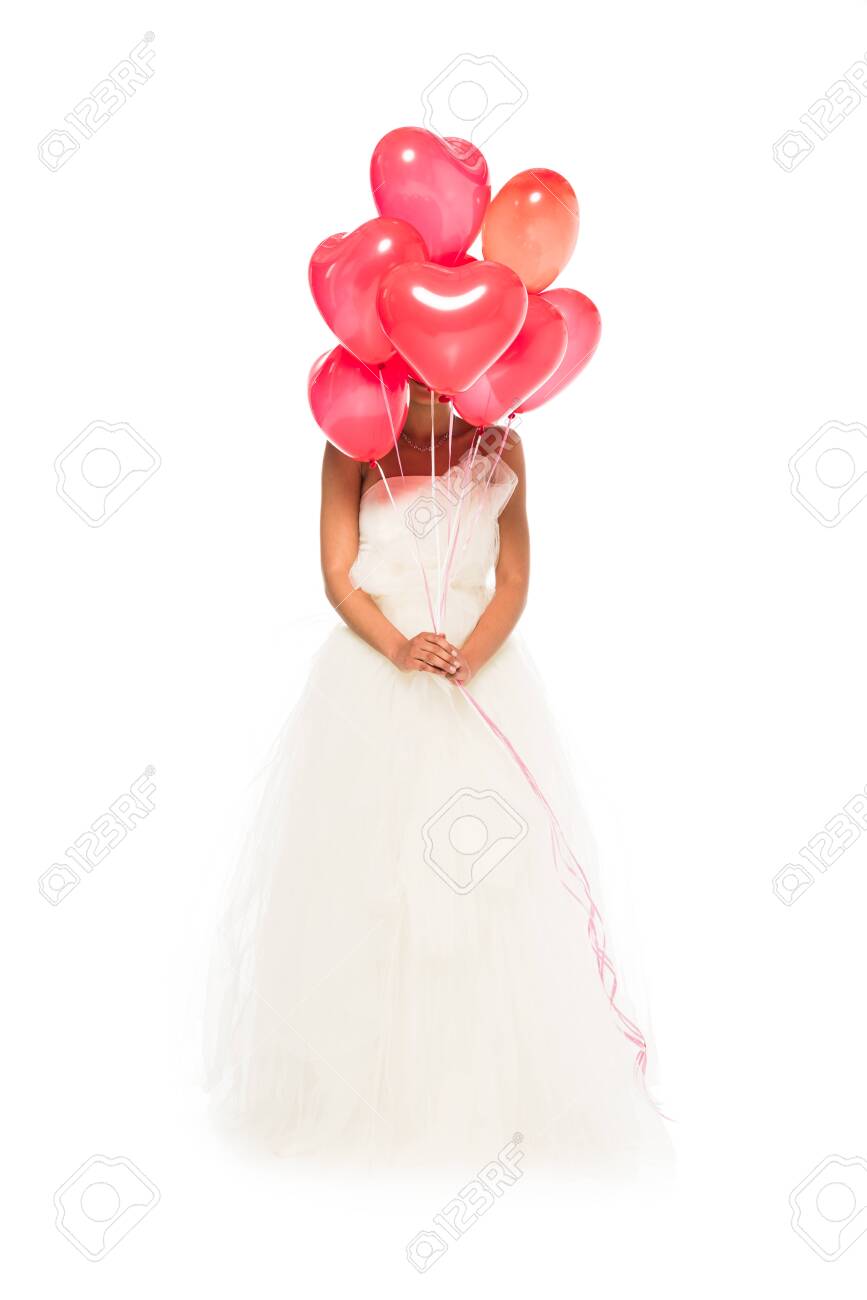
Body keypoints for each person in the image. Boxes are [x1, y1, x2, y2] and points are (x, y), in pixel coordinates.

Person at [205, 379, 671, 1172]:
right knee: (366, 869)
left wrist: (469, 656)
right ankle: (368, 1090)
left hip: (474, 671)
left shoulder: (501, 447)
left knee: (481, 874)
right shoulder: (352, 444)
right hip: (373, 673)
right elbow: (338, 575)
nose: (429, 376)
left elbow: (514, 580)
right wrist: (397, 647)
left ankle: (477, 1090)